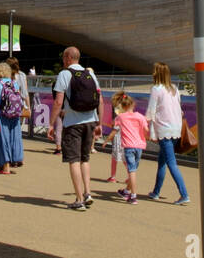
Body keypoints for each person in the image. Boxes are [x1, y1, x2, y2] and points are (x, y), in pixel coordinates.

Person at [48, 47, 101, 209]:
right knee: (85, 159)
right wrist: (98, 123)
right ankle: (87, 192)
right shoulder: (89, 73)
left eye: (64, 57)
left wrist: (51, 123)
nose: (63, 60)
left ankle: (79, 200)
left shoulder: (65, 74)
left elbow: (58, 101)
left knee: (74, 160)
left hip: (73, 123)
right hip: (90, 121)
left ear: (69, 58)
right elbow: (101, 99)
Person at [146, 62, 190, 204]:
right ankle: (156, 191)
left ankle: (184, 194)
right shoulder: (174, 89)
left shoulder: (156, 89)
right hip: (176, 129)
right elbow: (179, 109)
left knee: (171, 163)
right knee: (162, 162)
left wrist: (150, 131)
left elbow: (151, 111)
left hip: (164, 129)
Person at [111, 92, 148, 206]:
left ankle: (133, 195)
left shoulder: (120, 117)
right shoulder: (140, 117)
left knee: (131, 171)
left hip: (128, 146)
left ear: (122, 106)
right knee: (133, 170)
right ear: (133, 104)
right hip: (139, 145)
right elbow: (146, 130)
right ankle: (126, 191)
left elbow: (114, 125)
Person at [8, 57, 30, 135]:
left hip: (8, 105)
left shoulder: (6, 75)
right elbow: (25, 93)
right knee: (17, 129)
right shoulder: (22, 75)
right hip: (19, 104)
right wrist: (28, 107)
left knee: (8, 129)